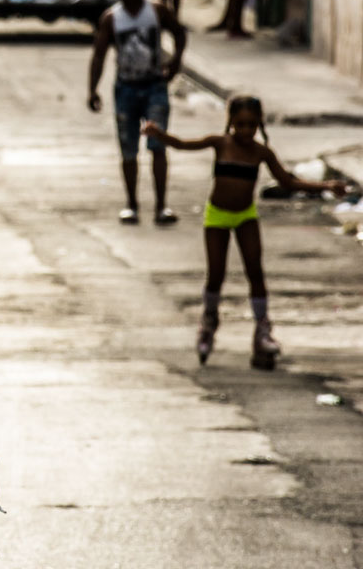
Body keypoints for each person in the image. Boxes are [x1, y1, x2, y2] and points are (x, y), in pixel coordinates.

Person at [146, 94, 350, 368]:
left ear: (259, 125)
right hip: (217, 216)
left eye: (251, 126)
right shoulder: (220, 144)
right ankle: (209, 320)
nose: (245, 131)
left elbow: (287, 182)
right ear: (230, 122)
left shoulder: (261, 153)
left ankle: (262, 329)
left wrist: (326, 186)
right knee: (216, 273)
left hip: (245, 216)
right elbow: (183, 145)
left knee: (255, 270)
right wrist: (159, 134)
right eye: (240, 124)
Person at [88, 0, 186, 225]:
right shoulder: (112, 18)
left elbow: (179, 32)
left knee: (158, 145)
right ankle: (131, 203)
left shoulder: (156, 11)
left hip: (154, 86)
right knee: (128, 149)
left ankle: (161, 206)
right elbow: (99, 54)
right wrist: (92, 88)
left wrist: (175, 62)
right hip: (126, 88)